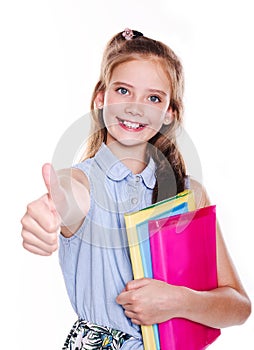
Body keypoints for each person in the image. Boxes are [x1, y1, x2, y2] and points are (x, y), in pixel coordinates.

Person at [21, 28, 251, 349]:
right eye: (124, 91)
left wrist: (178, 301)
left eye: (153, 98)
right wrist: (47, 217)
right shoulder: (80, 182)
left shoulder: (189, 194)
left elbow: (239, 307)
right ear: (101, 98)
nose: (135, 107)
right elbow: (69, 199)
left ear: (169, 113)